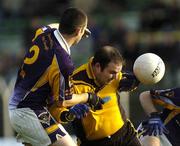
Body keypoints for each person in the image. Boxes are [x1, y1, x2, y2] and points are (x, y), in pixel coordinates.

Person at [8, 7, 104, 146]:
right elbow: (64, 101)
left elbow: (53, 26)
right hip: (29, 112)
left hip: (24, 107)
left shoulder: (43, 32)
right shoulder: (63, 62)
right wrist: (89, 97)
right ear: (78, 31)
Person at [52, 46, 141, 146]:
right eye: (112, 73)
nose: (116, 76)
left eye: (118, 72)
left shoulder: (115, 74)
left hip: (125, 135)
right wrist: (68, 114)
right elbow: (55, 110)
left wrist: (134, 83)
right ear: (98, 66)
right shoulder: (74, 82)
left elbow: (127, 83)